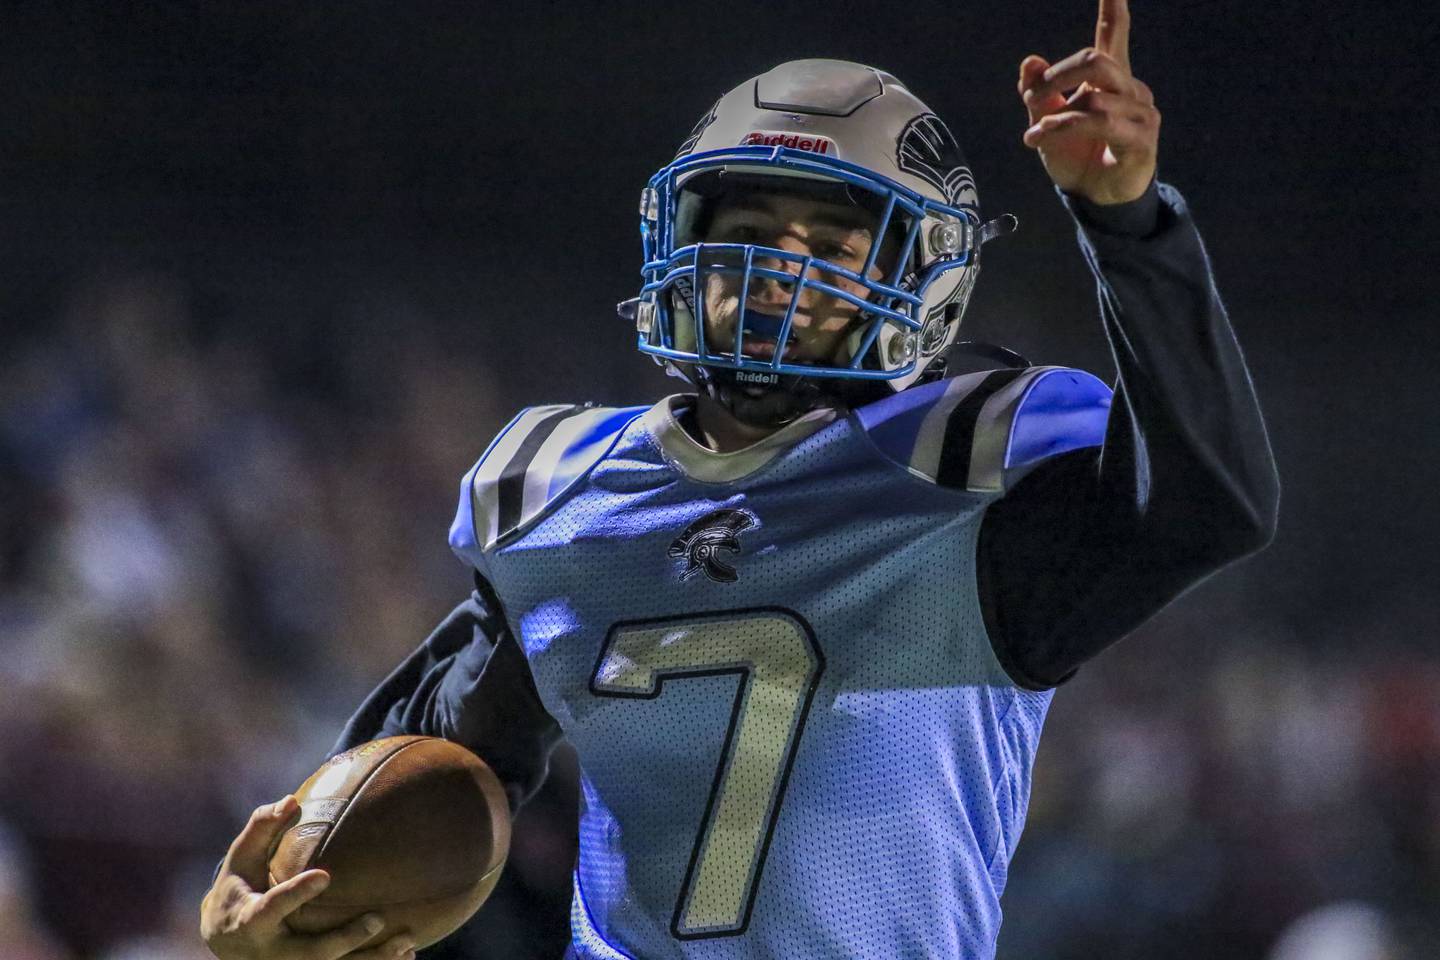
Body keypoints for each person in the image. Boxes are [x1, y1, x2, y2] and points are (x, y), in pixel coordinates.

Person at [201, 2, 1280, 958]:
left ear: (923, 277)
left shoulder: (964, 488)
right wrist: (295, 910)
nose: (782, 269)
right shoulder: (563, 492)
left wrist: (1131, 228)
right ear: (680, 248)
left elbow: (1214, 504)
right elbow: (425, 774)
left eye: (834, 242)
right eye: (750, 230)